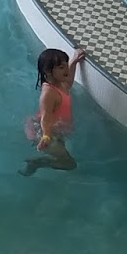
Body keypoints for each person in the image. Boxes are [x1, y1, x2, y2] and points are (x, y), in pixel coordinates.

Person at [21, 47, 85, 176]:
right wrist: (46, 136)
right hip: (46, 133)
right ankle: (38, 163)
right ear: (48, 71)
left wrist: (74, 61)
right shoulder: (48, 93)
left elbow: (69, 82)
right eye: (61, 68)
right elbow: (45, 117)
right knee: (69, 164)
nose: (66, 70)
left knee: (63, 157)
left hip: (56, 130)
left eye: (66, 65)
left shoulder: (60, 83)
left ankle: (37, 162)